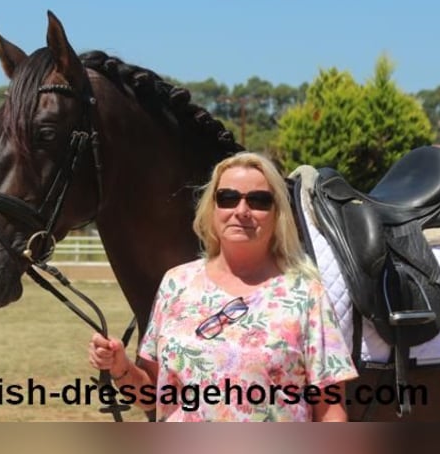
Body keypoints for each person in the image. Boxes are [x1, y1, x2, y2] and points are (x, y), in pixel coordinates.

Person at [89, 152, 357, 421]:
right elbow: (152, 393)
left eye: (259, 200)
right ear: (212, 209)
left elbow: (330, 409)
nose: (242, 211)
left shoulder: (306, 293)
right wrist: (120, 366)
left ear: (277, 214)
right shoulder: (176, 283)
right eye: (228, 198)